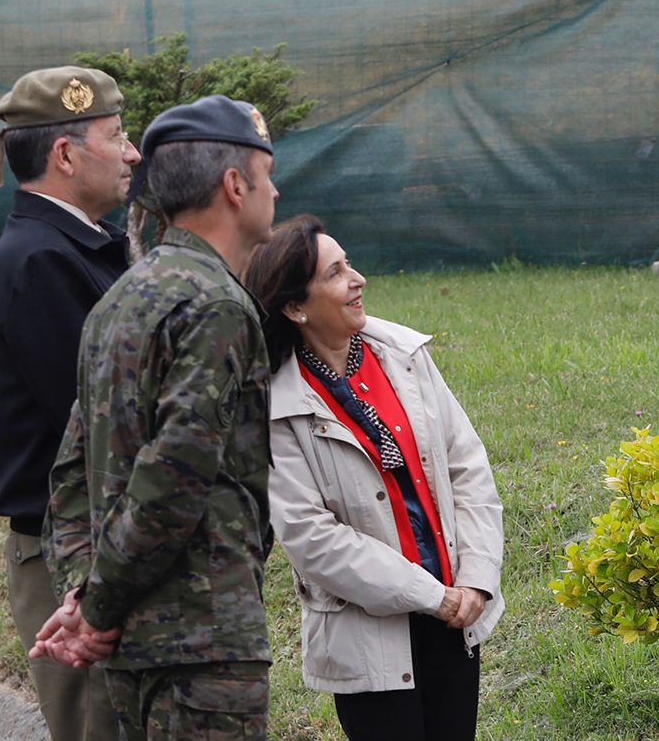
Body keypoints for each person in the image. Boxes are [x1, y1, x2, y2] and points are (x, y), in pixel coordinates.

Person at [35, 95, 280, 741]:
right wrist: (97, 605)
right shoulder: (217, 305)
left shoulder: (117, 301)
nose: (274, 191)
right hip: (201, 648)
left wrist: (85, 598)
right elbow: (174, 476)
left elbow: (66, 476)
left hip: (127, 656)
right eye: (266, 174)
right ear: (235, 185)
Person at [244, 215, 504, 741]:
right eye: (336, 272)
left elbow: (466, 465)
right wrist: (428, 594)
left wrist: (475, 577)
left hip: (455, 613)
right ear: (296, 307)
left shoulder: (404, 356)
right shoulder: (275, 405)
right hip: (372, 633)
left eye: (350, 263)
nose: (357, 279)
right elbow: (312, 539)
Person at [0, 65, 138, 741]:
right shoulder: (42, 260)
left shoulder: (81, 246)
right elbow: (101, 422)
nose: (133, 151)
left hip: (96, 545)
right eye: (117, 135)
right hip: (68, 557)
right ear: (67, 155)